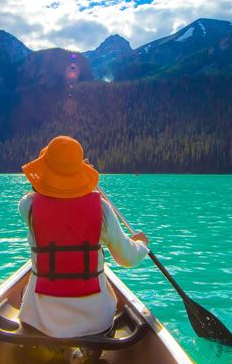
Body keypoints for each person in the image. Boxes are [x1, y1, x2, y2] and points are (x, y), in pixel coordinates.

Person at [18, 136, 150, 348]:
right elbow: (126, 258)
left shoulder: (28, 207)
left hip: (39, 323)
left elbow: (37, 195)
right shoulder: (102, 210)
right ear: (79, 172)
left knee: (26, 291)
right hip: (96, 325)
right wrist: (141, 245)